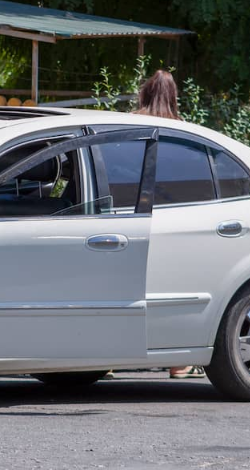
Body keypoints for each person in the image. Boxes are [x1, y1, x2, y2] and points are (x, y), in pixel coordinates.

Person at [137, 70, 205, 380]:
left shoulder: (132, 124)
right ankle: (178, 362)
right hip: (172, 219)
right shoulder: (182, 131)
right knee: (171, 289)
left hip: (132, 215)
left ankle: (107, 360)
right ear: (174, 96)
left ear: (146, 92)